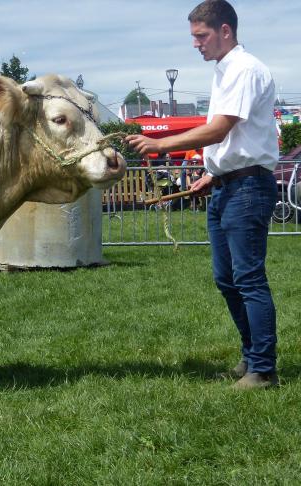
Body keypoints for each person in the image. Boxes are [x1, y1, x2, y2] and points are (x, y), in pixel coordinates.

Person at [126, 0, 280, 389]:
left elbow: (219, 130)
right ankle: (251, 359)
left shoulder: (244, 69)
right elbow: (235, 136)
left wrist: (160, 144)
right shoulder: (227, 71)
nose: (196, 44)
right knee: (227, 279)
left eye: (201, 36)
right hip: (229, 185)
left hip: (247, 188)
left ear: (225, 30)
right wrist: (212, 175)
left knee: (248, 279)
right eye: (194, 36)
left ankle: (263, 368)